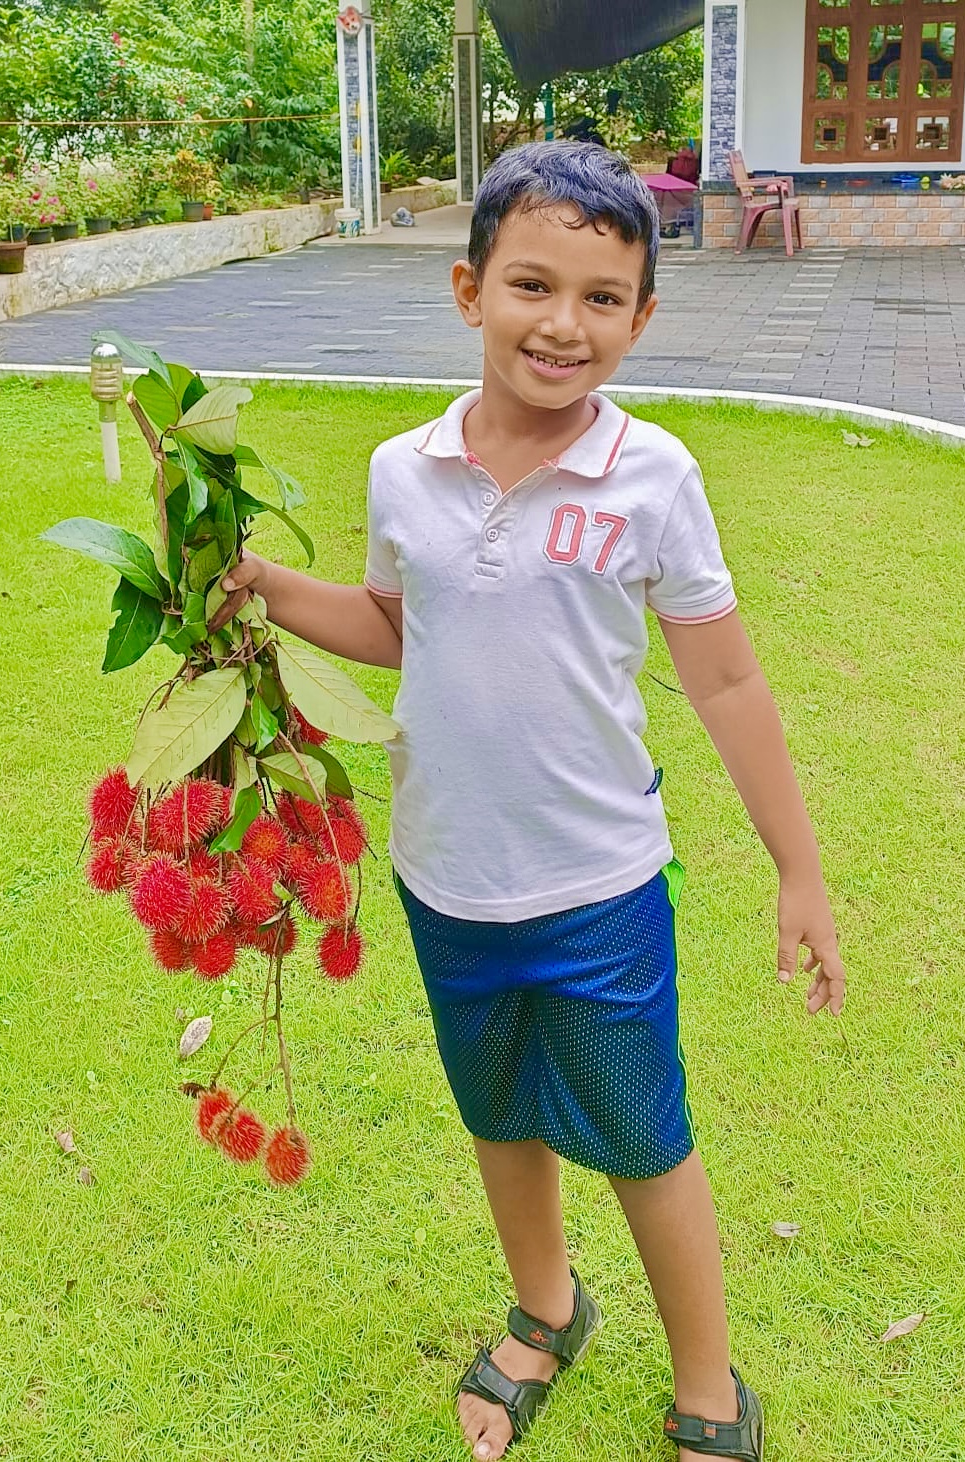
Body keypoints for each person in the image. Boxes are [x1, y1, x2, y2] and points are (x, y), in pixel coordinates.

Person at [221, 140, 846, 1462]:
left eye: (601, 297)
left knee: (639, 1136)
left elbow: (726, 682)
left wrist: (797, 870)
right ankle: (547, 1307)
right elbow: (404, 625)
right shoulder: (406, 467)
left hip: (596, 886)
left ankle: (707, 1386)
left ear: (639, 317)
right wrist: (267, 583)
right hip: (444, 874)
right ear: (468, 290)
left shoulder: (652, 478)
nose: (563, 324)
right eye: (531, 284)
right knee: (500, 1115)